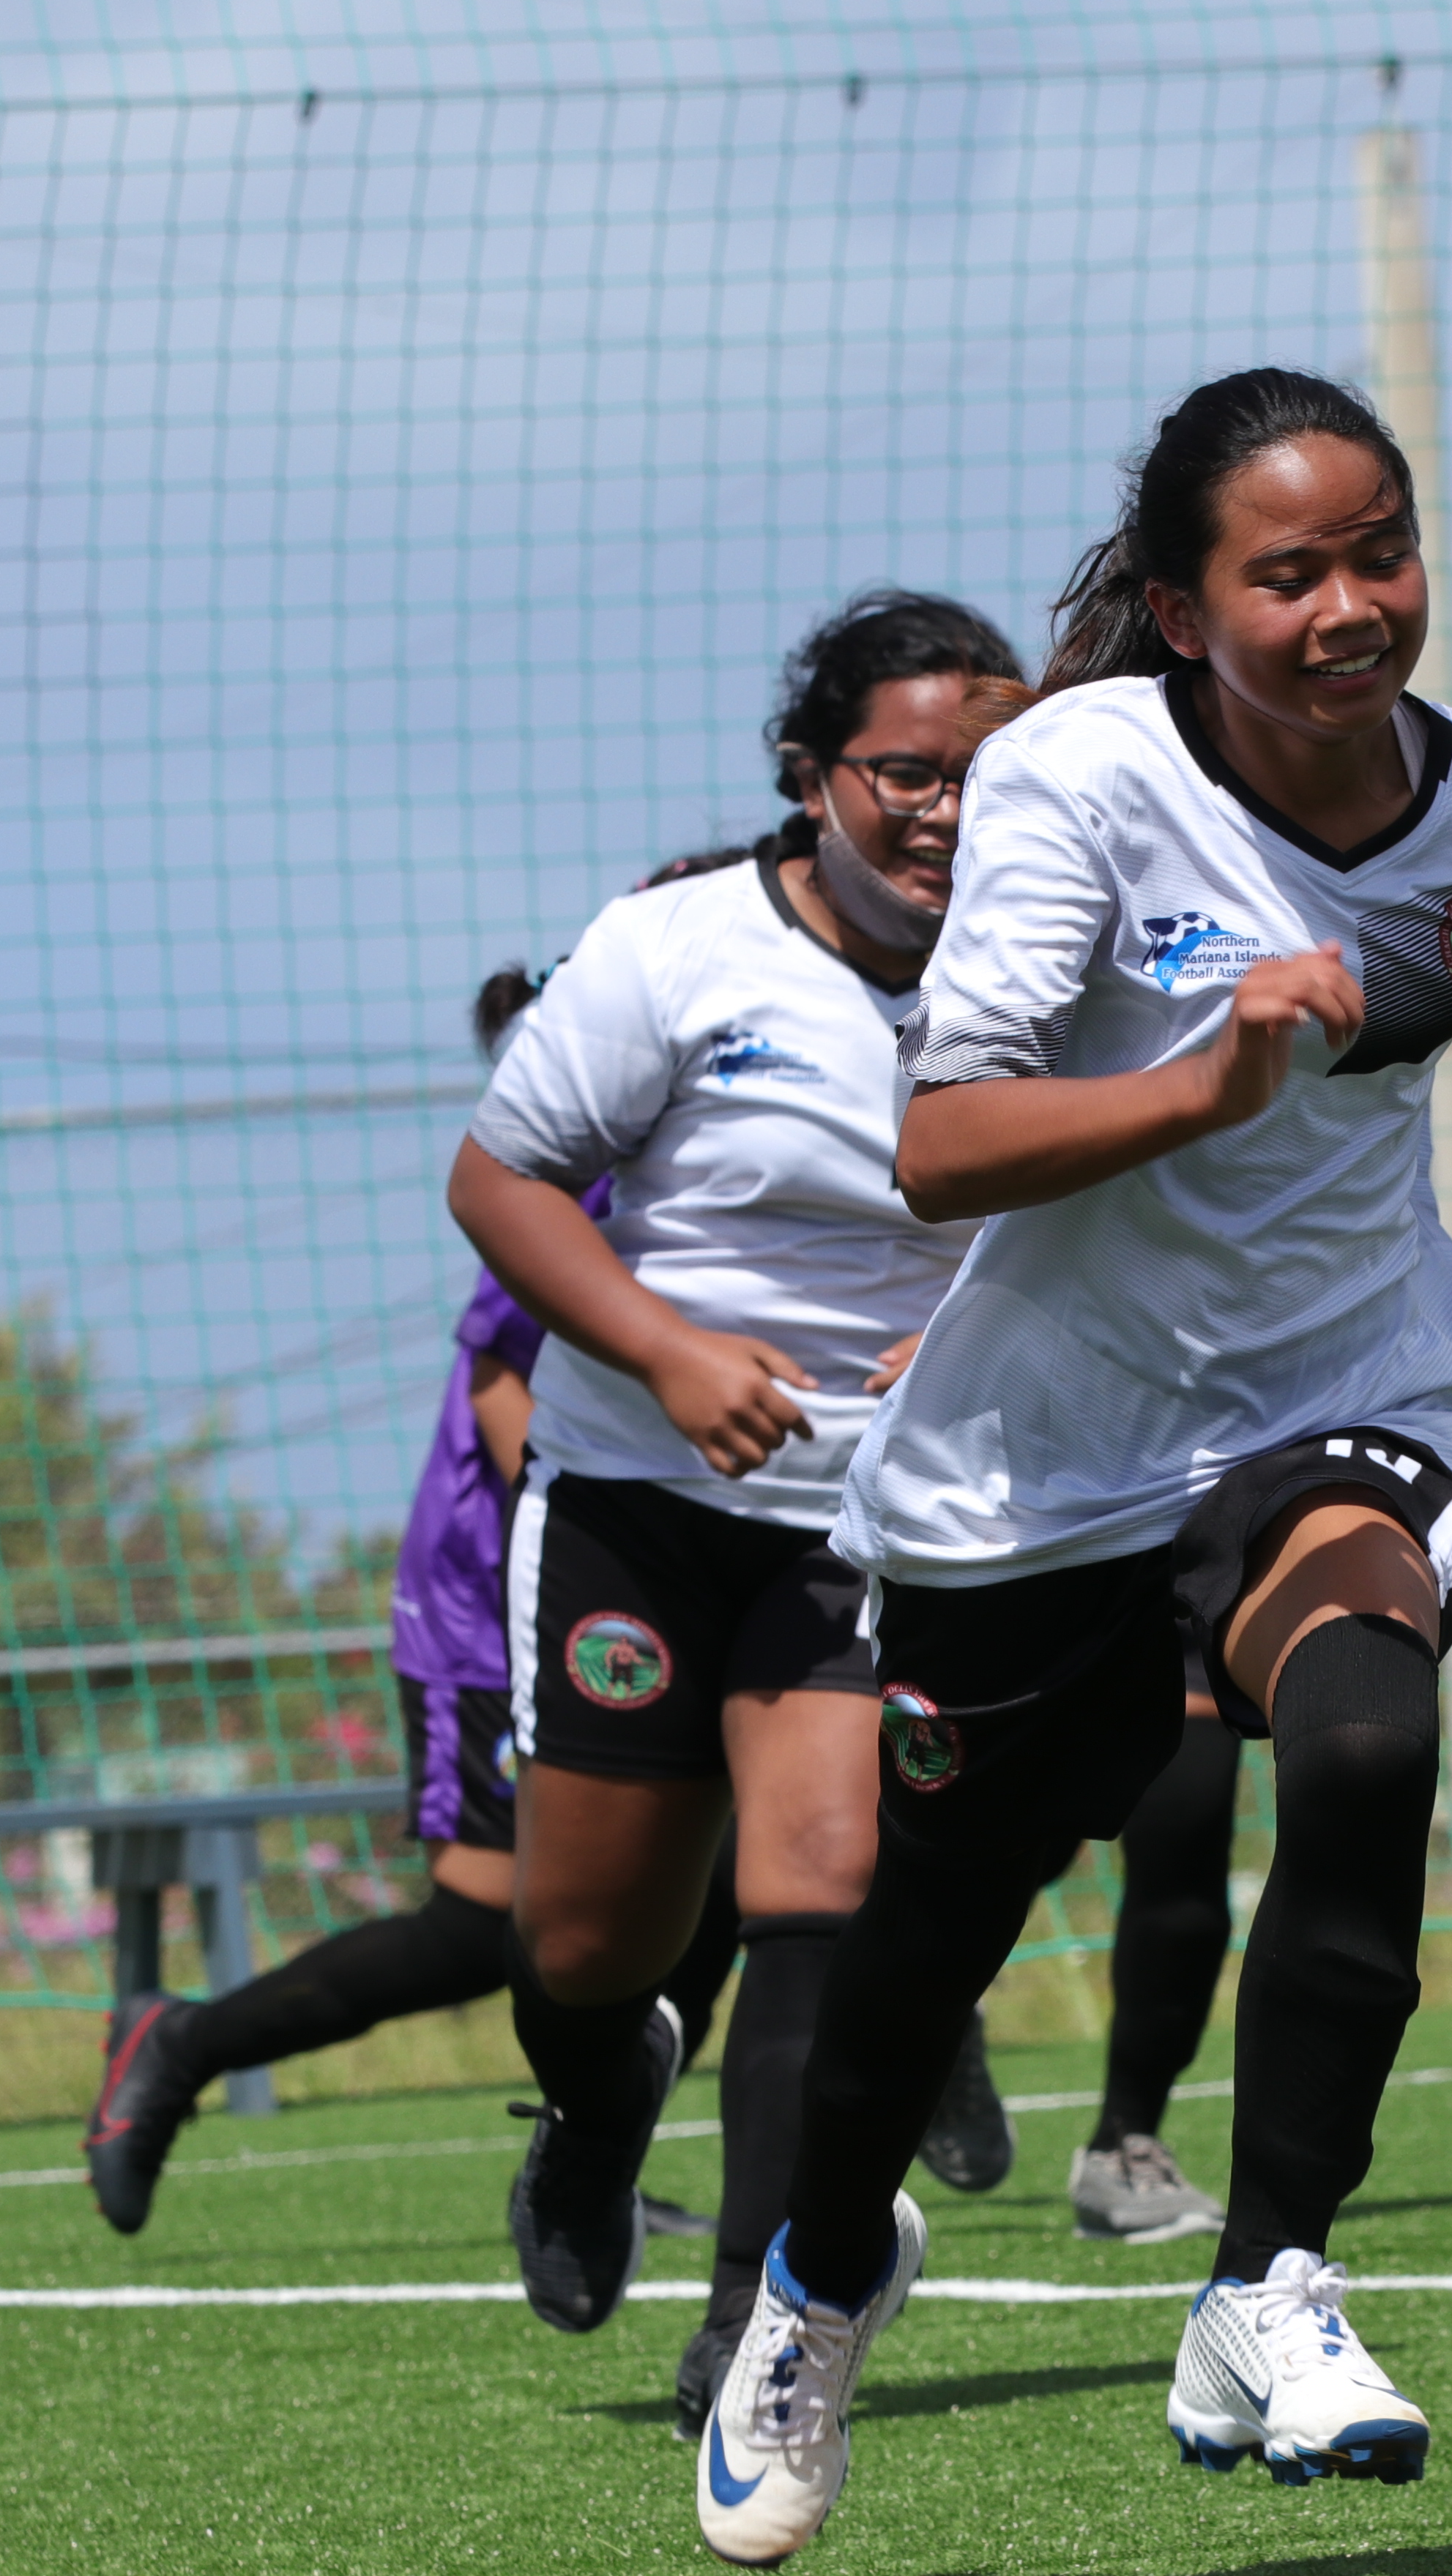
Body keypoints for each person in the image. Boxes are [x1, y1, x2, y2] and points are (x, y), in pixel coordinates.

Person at [691, 366, 1452, 2568]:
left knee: (1369, 1734)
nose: (1346, 604)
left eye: (1375, 551)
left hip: (1344, 1381)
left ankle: (1264, 2277)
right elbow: (941, 1140)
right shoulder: (1080, 779)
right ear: (1188, 613)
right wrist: (1204, 1082)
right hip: (1050, 1444)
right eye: (1283, 572)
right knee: (925, 1937)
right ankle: (821, 2278)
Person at [442, 591, 1018, 2391]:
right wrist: (671, 1352)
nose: (941, 809)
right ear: (813, 775)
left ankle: (754, 2320)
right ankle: (598, 2111)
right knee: (587, 1940)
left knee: (823, 1889)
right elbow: (504, 1182)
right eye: (903, 772)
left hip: (877, 1518)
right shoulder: (673, 949)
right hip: (639, 1495)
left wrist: (993, 1331)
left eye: (980, 775)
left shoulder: (1053, 965)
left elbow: (1098, 1204)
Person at [78, 955, 765, 2239]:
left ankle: (602, 2149)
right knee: (482, 1923)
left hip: (668, 1575)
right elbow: (505, 1382)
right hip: (503, 1602)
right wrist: (611, 1545)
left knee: (745, 1850)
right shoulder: (588, 1179)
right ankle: (181, 2047)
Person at [1065, 1663, 1240, 2242]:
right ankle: (937, 2026)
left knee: (1186, 1835)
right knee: (994, 1855)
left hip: (1174, 1590)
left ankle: (1123, 2142)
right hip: (1014, 1590)